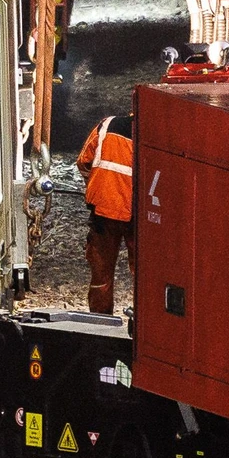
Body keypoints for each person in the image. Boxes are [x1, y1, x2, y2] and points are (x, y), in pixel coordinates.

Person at [74, 113, 134, 316]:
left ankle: (101, 320)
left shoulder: (106, 125)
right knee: (144, 276)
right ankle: (144, 322)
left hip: (103, 212)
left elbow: (83, 162)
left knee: (101, 274)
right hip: (137, 215)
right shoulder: (154, 135)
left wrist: (96, 186)